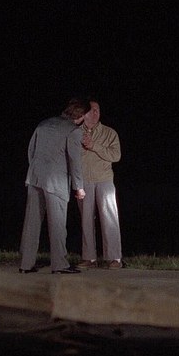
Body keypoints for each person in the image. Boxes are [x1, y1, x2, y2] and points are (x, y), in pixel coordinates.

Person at [19, 98, 89, 274]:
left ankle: (25, 264)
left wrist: (35, 170)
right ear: (80, 115)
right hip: (56, 182)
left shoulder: (44, 124)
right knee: (57, 224)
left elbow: (31, 150)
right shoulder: (74, 131)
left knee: (32, 223)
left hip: (35, 177)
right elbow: (74, 161)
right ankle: (59, 264)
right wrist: (79, 187)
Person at [77, 99, 123, 269]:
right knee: (86, 220)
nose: (96, 113)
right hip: (83, 181)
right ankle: (89, 258)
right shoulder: (75, 132)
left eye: (98, 110)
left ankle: (114, 258)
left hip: (104, 180)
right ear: (84, 113)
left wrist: (94, 145)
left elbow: (116, 156)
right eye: (92, 110)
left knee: (109, 217)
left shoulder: (109, 133)